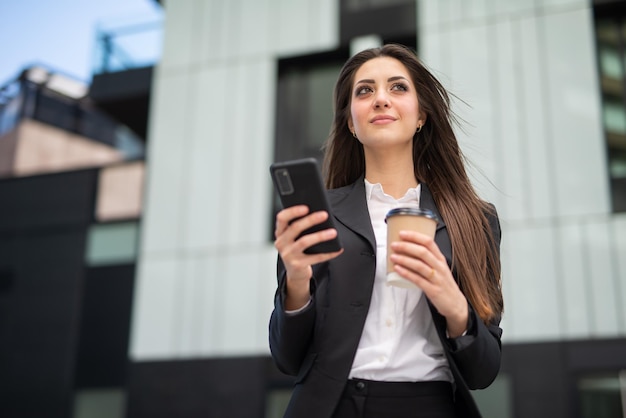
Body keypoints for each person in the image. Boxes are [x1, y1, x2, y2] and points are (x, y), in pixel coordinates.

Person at [269, 43, 503, 418]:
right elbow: (286, 358)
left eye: (397, 87)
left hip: (433, 406)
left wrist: (454, 303)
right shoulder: (317, 214)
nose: (380, 99)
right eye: (364, 91)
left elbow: (484, 370)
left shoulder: (474, 220)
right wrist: (296, 281)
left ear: (422, 114)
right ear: (350, 122)